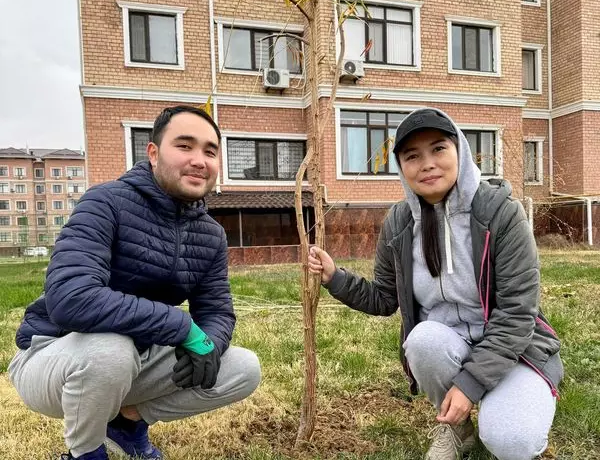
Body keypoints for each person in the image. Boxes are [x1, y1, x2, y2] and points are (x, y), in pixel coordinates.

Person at [308, 108, 562, 460]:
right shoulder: (399, 222)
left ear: (460, 150)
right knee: (422, 341)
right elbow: (384, 298)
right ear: (401, 167)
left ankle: (513, 410)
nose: (427, 164)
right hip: (450, 344)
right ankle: (458, 429)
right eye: (413, 156)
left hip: (516, 350)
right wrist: (335, 279)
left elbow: (517, 314)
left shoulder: (500, 212)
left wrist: (470, 385)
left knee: (511, 442)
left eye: (438, 149)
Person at [9, 105, 261, 460]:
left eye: (210, 150)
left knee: (243, 369)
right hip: (55, 355)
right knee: (111, 351)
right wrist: (181, 326)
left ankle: (126, 423)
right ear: (154, 154)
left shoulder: (211, 235)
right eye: (184, 146)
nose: (199, 160)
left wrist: (211, 346)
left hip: (135, 358)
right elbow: (71, 299)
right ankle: (84, 452)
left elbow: (217, 310)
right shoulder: (105, 202)